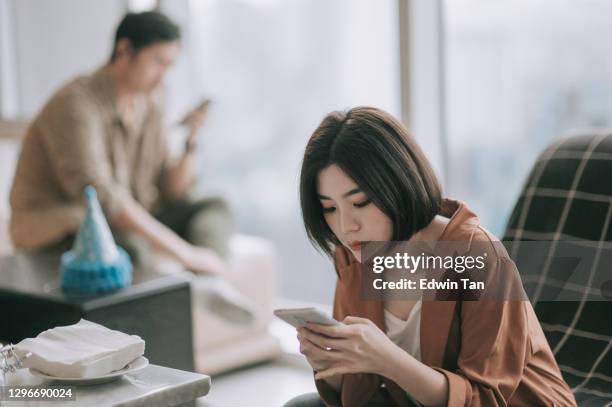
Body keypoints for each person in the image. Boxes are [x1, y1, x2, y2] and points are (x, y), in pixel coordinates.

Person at [283, 107, 576, 406]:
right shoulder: (356, 256)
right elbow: (360, 391)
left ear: (398, 182)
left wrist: (388, 359)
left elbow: (484, 398)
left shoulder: (477, 256)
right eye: (330, 208)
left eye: (361, 202)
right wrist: (328, 362)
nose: (346, 226)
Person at [9, 11, 254, 323]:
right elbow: (102, 199)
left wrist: (191, 142)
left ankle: (208, 284)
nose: (164, 75)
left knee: (214, 205)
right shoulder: (74, 105)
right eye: (158, 62)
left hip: (124, 217)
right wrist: (185, 253)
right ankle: (192, 284)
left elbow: (171, 188)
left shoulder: (149, 100)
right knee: (130, 247)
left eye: (170, 65)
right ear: (124, 51)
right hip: (63, 228)